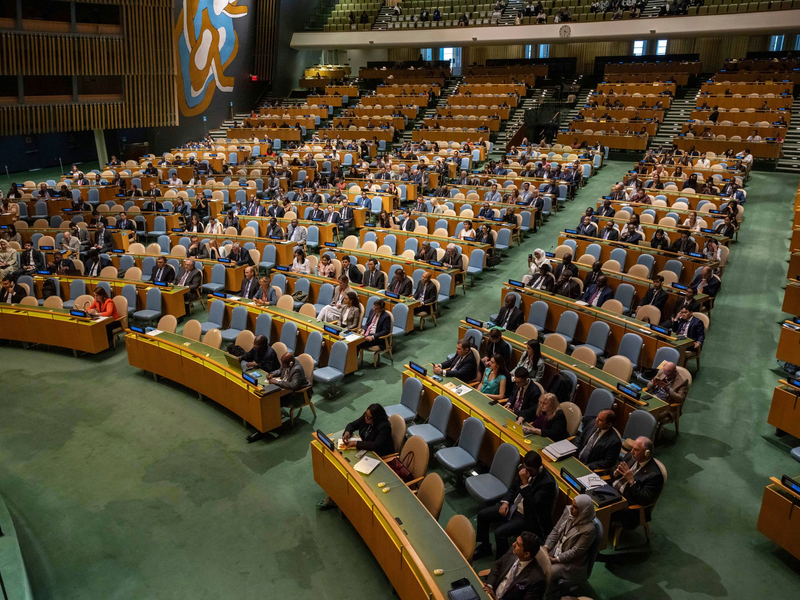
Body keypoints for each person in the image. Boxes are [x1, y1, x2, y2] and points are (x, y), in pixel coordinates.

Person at [474, 451, 557, 560]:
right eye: (525, 468)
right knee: (483, 515)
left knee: (500, 533)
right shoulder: (524, 468)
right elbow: (513, 488)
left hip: (526, 516)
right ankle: (485, 547)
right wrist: (505, 502)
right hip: (513, 506)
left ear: (538, 468)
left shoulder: (547, 483)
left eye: (530, 470)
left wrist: (525, 483)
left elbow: (533, 504)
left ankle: (501, 562)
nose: (526, 472)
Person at [544, 495, 597, 594]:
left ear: (583, 511)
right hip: (555, 550)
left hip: (569, 564)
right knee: (533, 563)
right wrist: (546, 548)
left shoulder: (589, 530)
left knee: (543, 575)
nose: (571, 508)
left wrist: (554, 560)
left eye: (575, 507)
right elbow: (555, 531)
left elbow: (574, 552)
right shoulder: (568, 511)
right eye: (572, 504)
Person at [610, 436, 665, 529]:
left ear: (646, 453)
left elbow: (644, 499)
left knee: (596, 510)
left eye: (636, 450)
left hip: (627, 505)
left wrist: (632, 481)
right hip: (612, 491)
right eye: (632, 448)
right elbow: (614, 468)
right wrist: (615, 473)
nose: (632, 451)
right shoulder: (630, 456)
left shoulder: (655, 476)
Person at [482, 532, 549, 600]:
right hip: (490, 593)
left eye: (518, 544)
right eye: (516, 541)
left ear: (526, 554)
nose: (513, 544)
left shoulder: (537, 580)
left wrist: (495, 598)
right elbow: (497, 565)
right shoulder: (513, 551)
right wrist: (490, 585)